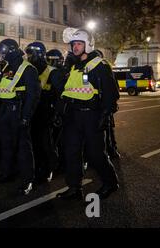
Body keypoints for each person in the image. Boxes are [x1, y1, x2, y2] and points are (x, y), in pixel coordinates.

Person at [57, 28, 119, 200]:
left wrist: (105, 115)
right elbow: (64, 89)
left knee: (95, 154)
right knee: (71, 152)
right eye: (73, 44)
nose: (75, 47)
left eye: (78, 44)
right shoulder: (73, 65)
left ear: (88, 45)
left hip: (92, 116)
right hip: (74, 116)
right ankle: (74, 187)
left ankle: (110, 183)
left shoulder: (100, 65)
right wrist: (65, 67)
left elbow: (111, 94)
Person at [0, 39, 40, 195]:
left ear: (11, 51)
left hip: (18, 111)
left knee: (23, 148)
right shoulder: (8, 66)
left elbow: (33, 96)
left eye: (2, 50)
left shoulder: (28, 69)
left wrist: (26, 117)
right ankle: (7, 173)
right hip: (5, 110)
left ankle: (28, 180)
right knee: (6, 144)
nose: (0, 54)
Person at [26, 42, 65, 183]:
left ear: (39, 54)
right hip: (33, 112)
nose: (28, 56)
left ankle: (49, 168)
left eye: (31, 54)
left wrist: (57, 114)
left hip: (46, 112)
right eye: (28, 54)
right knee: (34, 143)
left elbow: (62, 95)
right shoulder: (28, 70)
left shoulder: (52, 72)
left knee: (46, 143)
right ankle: (37, 167)